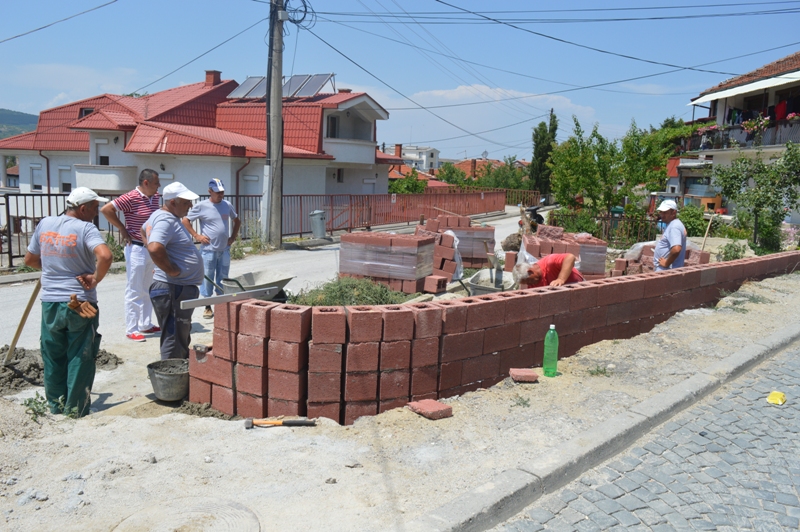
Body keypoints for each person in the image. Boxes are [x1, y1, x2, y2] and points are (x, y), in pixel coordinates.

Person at [24, 187, 113, 417]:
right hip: (80, 303)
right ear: (82, 209)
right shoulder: (85, 228)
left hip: (51, 302)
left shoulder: (45, 224)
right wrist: (94, 278)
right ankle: (75, 409)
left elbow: (30, 259)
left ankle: (55, 404)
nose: (97, 212)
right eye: (94, 207)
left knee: (53, 354)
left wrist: (55, 269)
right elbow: (105, 255)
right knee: (80, 354)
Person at [142, 182, 204, 360]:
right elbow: (154, 248)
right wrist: (170, 269)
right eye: (186, 202)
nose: (190, 206)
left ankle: (177, 374)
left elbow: (143, 231)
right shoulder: (165, 220)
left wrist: (163, 263)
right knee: (174, 337)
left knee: (178, 335)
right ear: (172, 203)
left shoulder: (160, 216)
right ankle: (172, 379)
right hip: (174, 288)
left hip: (175, 288)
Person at [100, 169, 161, 342]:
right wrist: (122, 228)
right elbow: (106, 209)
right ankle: (132, 328)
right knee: (134, 288)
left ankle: (145, 323)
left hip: (150, 248)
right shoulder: (131, 197)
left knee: (148, 287)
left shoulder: (155, 197)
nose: (159, 186)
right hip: (136, 248)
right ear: (146, 183)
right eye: (156, 183)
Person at [181, 178, 240, 319]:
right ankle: (207, 306)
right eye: (217, 192)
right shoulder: (202, 206)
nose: (220, 195)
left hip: (224, 249)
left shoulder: (227, 205)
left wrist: (233, 237)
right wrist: (196, 235)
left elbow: (237, 220)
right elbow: (185, 220)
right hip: (208, 250)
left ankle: (221, 306)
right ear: (210, 191)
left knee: (223, 278)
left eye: (222, 192)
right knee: (208, 278)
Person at [513, 253, 584, 288]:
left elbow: (570, 257)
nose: (529, 284)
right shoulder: (533, 284)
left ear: (530, 271)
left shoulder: (549, 262)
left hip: (580, 285)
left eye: (528, 281)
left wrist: (561, 279)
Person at [654, 199, 687, 271]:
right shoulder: (674, 225)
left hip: (667, 272)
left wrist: (666, 263)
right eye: (661, 212)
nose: (662, 215)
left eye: (665, 212)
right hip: (667, 271)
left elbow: (676, 249)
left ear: (673, 213)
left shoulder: (674, 227)